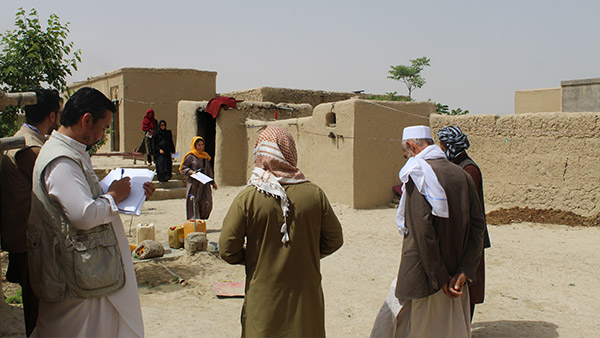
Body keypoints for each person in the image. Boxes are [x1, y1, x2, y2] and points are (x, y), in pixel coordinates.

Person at [26, 87, 155, 337]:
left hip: (86, 274)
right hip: (76, 280)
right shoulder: (61, 160)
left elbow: (78, 200)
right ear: (87, 120)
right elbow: (83, 215)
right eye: (104, 126)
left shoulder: (71, 153)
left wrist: (127, 193)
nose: (103, 134)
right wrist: (115, 196)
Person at [219, 126, 344, 337]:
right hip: (306, 303)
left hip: (264, 303)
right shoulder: (314, 195)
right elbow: (334, 240)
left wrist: (255, 259)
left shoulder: (248, 198)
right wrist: (306, 254)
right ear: (290, 153)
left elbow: (226, 249)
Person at [370, 125, 485, 337]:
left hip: (426, 280)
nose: (406, 158)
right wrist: (463, 272)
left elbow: (423, 233)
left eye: (406, 153)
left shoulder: (418, 175)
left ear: (412, 146)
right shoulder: (463, 175)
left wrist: (440, 278)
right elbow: (478, 229)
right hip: (456, 281)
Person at [0, 88, 60, 336]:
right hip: (29, 241)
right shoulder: (28, 148)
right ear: (53, 116)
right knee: (39, 312)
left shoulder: (21, 139)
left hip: (23, 237)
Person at [438, 125, 491, 322]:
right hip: (460, 237)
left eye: (442, 145)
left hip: (470, 239)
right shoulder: (458, 167)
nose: (440, 149)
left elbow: (469, 211)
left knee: (468, 286)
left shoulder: (469, 170)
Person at [179, 136, 217, 220]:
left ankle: (201, 219)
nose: (201, 147)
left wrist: (212, 182)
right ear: (194, 145)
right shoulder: (190, 156)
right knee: (193, 202)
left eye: (202, 145)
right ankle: (194, 222)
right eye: (199, 145)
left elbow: (209, 170)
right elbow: (183, 168)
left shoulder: (205, 157)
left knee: (207, 203)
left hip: (204, 183)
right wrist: (191, 172)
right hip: (194, 183)